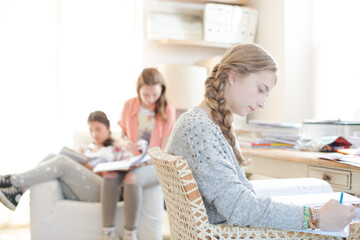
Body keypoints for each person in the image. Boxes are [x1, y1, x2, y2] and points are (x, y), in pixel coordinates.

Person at [165, 44, 356, 232]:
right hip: (229, 233)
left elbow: (239, 200)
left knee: (318, 187)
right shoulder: (198, 129)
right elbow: (240, 208)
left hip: (231, 228)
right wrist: (316, 218)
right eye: (260, 89)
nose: (262, 103)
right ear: (233, 76)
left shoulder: (208, 124)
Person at [101, 68, 176, 240]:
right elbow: (123, 135)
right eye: (145, 95)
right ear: (138, 90)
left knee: (131, 179)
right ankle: (108, 233)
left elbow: (165, 150)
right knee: (110, 176)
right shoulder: (129, 106)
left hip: (154, 164)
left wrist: (146, 161)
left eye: (154, 95)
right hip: (132, 160)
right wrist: (125, 143)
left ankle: (130, 233)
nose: (150, 99)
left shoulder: (168, 110)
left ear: (161, 90)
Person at [0, 111, 117, 210]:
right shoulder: (88, 148)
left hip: (101, 188)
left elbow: (116, 173)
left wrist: (85, 166)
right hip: (79, 186)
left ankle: (12, 180)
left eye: (98, 129)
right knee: (52, 156)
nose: (94, 134)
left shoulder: (114, 150)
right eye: (91, 130)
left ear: (108, 127)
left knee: (61, 161)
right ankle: (19, 190)